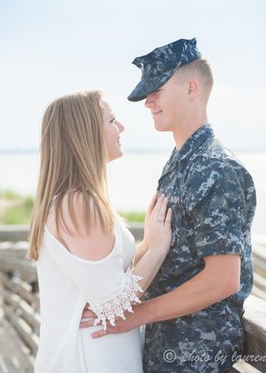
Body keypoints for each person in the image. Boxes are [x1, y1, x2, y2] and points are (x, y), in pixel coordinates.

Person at [81, 38, 257, 372]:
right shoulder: (182, 160)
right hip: (165, 347)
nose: (148, 102)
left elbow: (223, 280)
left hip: (198, 355)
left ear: (191, 88)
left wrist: (134, 316)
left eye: (156, 90)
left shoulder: (216, 167)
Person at [27, 90, 172, 373]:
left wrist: (146, 242)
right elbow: (114, 304)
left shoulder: (70, 199)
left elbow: (108, 274)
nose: (121, 127)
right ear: (87, 133)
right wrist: (157, 248)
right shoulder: (78, 203)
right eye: (112, 120)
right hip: (91, 358)